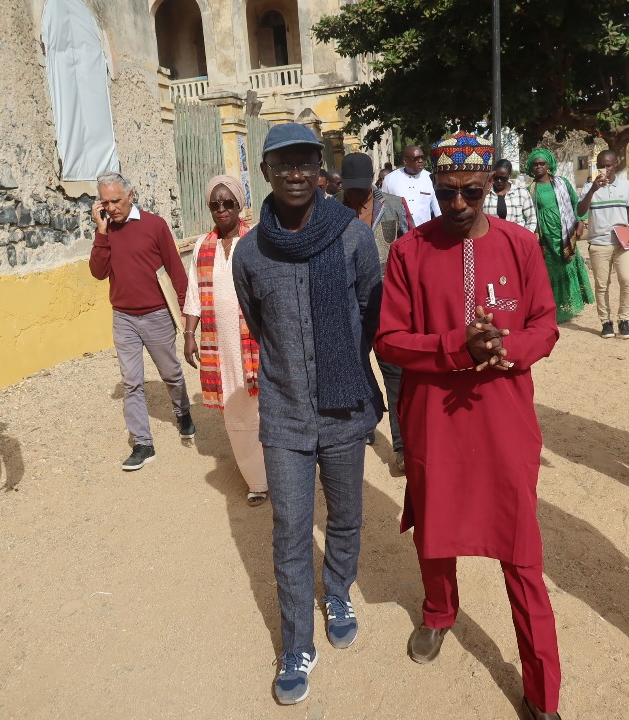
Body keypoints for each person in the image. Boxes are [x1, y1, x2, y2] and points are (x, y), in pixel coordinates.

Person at [376, 132, 564, 720]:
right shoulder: (409, 251)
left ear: (492, 184)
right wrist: (458, 347)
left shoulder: (522, 245)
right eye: (447, 191)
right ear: (433, 184)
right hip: (434, 419)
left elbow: (545, 324)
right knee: (436, 527)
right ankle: (438, 613)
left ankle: (541, 689)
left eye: (471, 192)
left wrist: (507, 349)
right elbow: (390, 339)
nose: (458, 205)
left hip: (504, 420)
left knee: (520, 549)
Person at [232, 123, 383, 706]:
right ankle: (296, 643)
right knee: (289, 530)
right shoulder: (251, 251)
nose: (295, 173)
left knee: (345, 514)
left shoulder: (351, 237)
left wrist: (342, 357)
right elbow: (256, 319)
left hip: (344, 410)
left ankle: (338, 588)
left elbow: (371, 311)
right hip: (287, 415)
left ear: (320, 170)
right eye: (282, 163)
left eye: (305, 163)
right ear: (265, 173)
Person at [89, 171, 195, 471]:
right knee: (131, 382)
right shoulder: (105, 232)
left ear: (131, 196)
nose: (111, 208)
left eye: (116, 201)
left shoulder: (155, 225)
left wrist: (188, 315)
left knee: (171, 372)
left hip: (157, 314)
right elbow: (98, 272)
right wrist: (101, 233)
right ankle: (143, 443)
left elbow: (176, 270)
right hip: (123, 317)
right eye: (105, 202)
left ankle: (183, 411)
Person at [182, 175, 268, 506]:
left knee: (263, 408)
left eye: (228, 202)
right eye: (215, 204)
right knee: (235, 413)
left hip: (256, 342)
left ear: (239, 205)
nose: (221, 209)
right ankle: (257, 480)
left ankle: (278, 468)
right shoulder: (203, 246)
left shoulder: (258, 241)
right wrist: (190, 334)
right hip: (220, 345)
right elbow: (193, 294)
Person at [339, 151, 412, 469]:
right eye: (349, 188)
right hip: (347, 308)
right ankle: (365, 423)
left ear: (373, 180)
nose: (355, 195)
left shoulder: (394, 206)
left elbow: (411, 252)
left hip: (387, 307)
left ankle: (402, 447)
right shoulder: (331, 211)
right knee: (354, 372)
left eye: (361, 187)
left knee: (396, 376)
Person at [577, 150, 629, 339]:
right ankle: (606, 322)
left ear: (616, 163)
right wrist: (593, 189)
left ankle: (624, 320)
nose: (605, 168)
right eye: (601, 165)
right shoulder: (589, 187)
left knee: (627, 280)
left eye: (609, 165)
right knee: (601, 285)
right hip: (599, 243)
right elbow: (580, 211)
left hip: (623, 242)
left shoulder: (626, 186)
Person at [526, 148, 594, 323]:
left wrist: (581, 222)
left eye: (542, 163)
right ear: (531, 168)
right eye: (535, 164)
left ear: (549, 165)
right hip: (545, 237)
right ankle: (555, 309)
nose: (539, 167)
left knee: (568, 266)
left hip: (565, 233)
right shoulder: (530, 190)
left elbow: (575, 203)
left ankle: (571, 306)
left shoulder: (562, 183)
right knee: (550, 271)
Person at [382, 144, 441, 225]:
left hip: (423, 232)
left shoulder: (430, 178)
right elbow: (385, 209)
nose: (421, 161)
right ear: (405, 161)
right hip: (400, 233)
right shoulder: (390, 179)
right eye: (417, 158)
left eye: (422, 158)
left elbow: (438, 211)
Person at [482, 158, 537, 233]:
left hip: (516, 238)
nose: (499, 181)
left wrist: (526, 237)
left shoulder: (521, 193)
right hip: (492, 238)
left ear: (509, 175)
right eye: (496, 177)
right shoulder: (485, 193)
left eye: (503, 178)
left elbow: (532, 218)